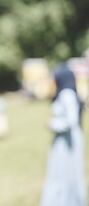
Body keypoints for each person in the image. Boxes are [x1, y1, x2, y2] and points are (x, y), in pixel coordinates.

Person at [40, 63, 87, 206]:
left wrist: (53, 124)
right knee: (60, 172)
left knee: (68, 173)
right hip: (64, 140)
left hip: (68, 141)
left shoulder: (67, 94)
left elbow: (71, 121)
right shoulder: (65, 93)